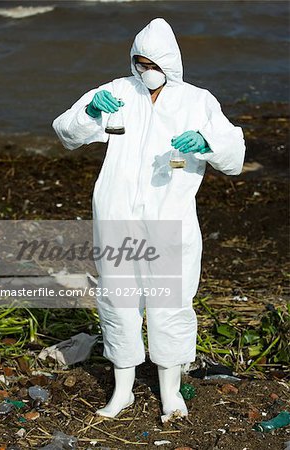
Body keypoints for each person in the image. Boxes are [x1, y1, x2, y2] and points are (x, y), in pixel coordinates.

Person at [52, 18, 246, 421]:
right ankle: (122, 391)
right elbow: (67, 132)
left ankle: (170, 392)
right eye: (139, 62)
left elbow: (235, 154)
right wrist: (90, 110)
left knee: (170, 301)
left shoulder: (198, 100)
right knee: (118, 299)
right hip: (116, 211)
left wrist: (207, 143)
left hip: (170, 213)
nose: (145, 70)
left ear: (170, 62)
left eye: (152, 63)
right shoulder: (117, 91)